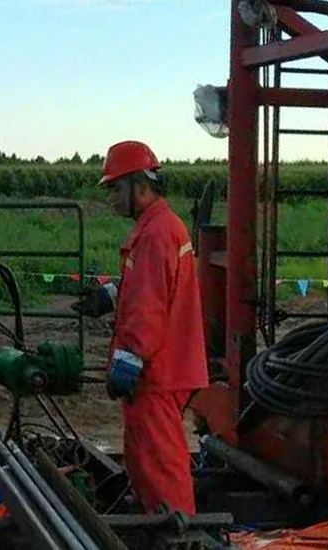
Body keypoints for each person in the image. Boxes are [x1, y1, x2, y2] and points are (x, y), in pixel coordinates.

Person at [71, 140, 209, 515]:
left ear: (140, 186)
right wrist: (108, 296)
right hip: (162, 365)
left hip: (157, 371)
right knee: (143, 456)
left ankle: (179, 531)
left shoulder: (155, 234)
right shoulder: (160, 228)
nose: (112, 198)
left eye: (116, 188)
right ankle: (153, 520)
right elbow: (149, 286)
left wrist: (128, 361)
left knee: (161, 463)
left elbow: (148, 309)